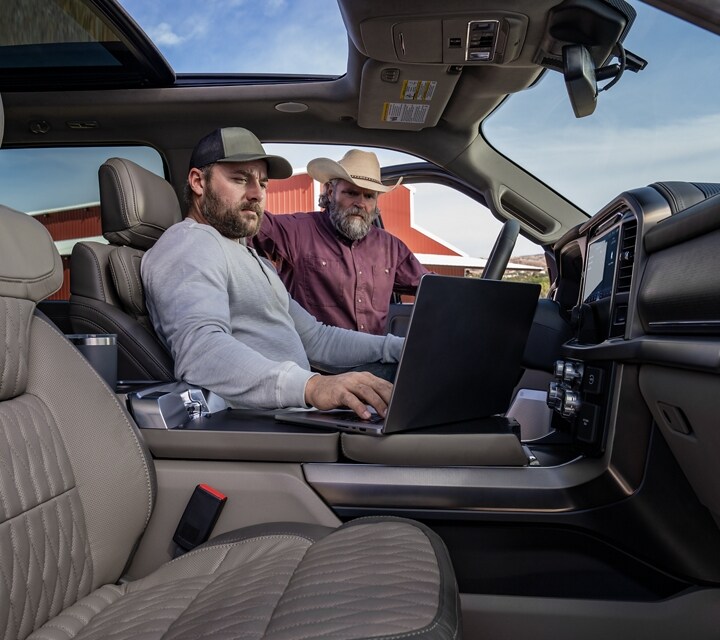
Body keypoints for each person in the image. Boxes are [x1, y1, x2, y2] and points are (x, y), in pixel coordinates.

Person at [141, 127, 403, 420]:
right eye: (240, 179)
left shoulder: (251, 258)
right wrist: (312, 386)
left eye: (262, 184)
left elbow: (317, 338)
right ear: (198, 182)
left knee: (418, 372)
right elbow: (202, 351)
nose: (256, 194)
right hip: (262, 431)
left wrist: (397, 347)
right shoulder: (189, 243)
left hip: (295, 414)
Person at [252, 149, 430, 335]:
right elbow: (249, 224)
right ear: (330, 192)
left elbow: (432, 287)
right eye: (351, 193)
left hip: (374, 359)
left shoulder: (391, 248)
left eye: (369, 196)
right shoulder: (297, 231)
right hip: (313, 362)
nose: (360, 203)